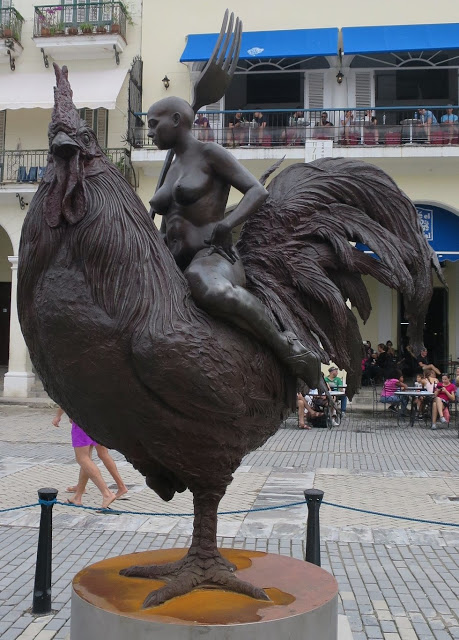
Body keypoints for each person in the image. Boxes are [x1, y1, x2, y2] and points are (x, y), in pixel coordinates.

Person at [147, 96, 320, 384]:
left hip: (212, 255)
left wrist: (227, 224)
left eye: (154, 124)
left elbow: (256, 191)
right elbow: (166, 222)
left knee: (208, 287)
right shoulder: (171, 166)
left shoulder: (209, 153)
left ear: (176, 121)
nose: (149, 132)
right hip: (172, 260)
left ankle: (287, 346)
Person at [53, 408, 127, 508]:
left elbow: (66, 397)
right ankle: (77, 496)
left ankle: (107, 494)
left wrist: (58, 416)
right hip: (98, 420)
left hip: (82, 420)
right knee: (88, 458)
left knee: (82, 458)